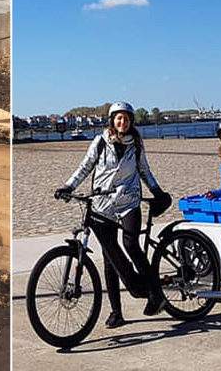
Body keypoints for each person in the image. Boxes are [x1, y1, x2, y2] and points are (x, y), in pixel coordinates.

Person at [55, 101, 173, 328]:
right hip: (102, 204)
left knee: (131, 244)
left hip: (128, 202)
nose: (122, 122)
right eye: (118, 118)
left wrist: (157, 192)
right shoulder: (100, 142)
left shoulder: (136, 144)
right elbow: (85, 166)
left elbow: (144, 170)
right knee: (109, 258)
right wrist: (68, 187)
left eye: (126, 119)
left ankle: (155, 294)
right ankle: (116, 312)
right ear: (112, 120)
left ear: (131, 122)